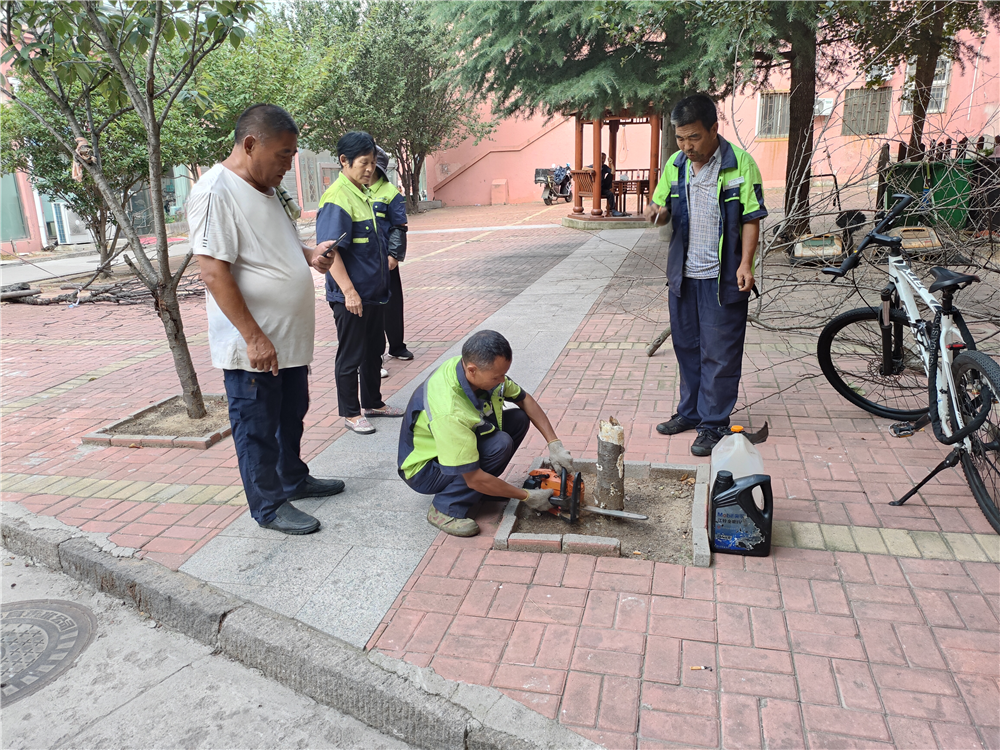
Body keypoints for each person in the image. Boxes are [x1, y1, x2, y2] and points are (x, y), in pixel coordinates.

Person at [191, 103, 345, 536]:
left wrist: (310, 257)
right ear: (251, 144)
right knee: (256, 427)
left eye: (293, 154)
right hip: (253, 347)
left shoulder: (266, 188)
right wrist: (254, 337)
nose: (288, 164)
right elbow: (212, 271)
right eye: (283, 154)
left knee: (292, 413)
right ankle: (269, 506)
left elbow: (278, 247)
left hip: (287, 339)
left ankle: (293, 478)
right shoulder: (215, 191)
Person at [645, 94, 767, 457]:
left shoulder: (739, 164)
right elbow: (663, 207)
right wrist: (657, 213)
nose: (687, 147)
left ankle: (713, 423)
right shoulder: (676, 165)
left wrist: (746, 264)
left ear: (714, 129)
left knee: (721, 352)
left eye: (694, 137)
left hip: (722, 277)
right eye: (681, 139)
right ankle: (690, 412)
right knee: (687, 347)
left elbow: (751, 218)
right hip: (683, 275)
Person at [397, 330, 575, 537]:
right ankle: (444, 508)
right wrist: (527, 496)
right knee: (499, 445)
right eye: (496, 377)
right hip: (424, 470)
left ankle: (481, 490)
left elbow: (524, 399)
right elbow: (473, 478)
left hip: (450, 447)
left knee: (518, 419)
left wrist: (554, 443)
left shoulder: (471, 366)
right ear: (472, 370)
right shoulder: (449, 410)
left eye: (503, 374)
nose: (502, 381)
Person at [316, 132, 404, 435]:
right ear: (344, 161)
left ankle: (373, 402)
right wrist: (349, 292)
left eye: (372, 163)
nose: (369, 169)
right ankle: (351, 413)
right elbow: (331, 250)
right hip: (350, 296)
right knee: (351, 354)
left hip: (373, 293)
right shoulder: (338, 198)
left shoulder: (363, 192)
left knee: (373, 350)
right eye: (364, 163)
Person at [366, 147, 413, 378]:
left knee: (392, 306)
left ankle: (396, 345)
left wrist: (394, 255)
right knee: (370, 310)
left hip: (386, 260)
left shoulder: (390, 192)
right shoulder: (353, 190)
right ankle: (374, 357)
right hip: (364, 263)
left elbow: (398, 227)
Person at [601, 153, 625, 217]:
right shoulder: (593, 166)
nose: (603, 160)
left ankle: (613, 211)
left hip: (603, 187)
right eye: (602, 158)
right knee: (610, 194)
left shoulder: (604, 167)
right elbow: (584, 168)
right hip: (596, 188)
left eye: (604, 158)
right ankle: (613, 210)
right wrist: (592, 170)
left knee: (610, 175)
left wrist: (611, 163)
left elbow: (613, 172)